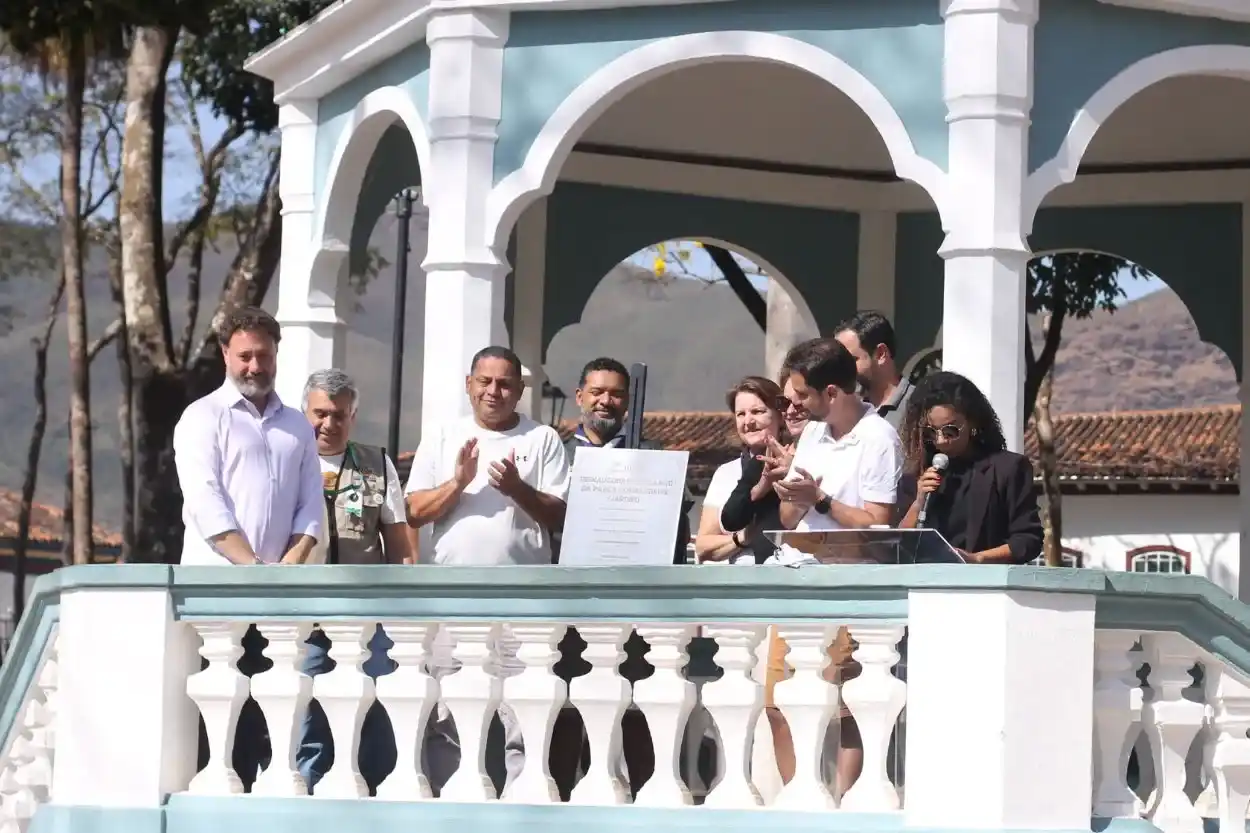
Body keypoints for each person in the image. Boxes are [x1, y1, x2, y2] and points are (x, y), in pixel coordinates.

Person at [404, 345, 570, 796]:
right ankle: (451, 804)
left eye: (504, 383)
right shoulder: (442, 436)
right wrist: (459, 481)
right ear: (469, 385)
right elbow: (414, 511)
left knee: (524, 714)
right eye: (485, 382)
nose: (494, 391)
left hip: (524, 602)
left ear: (519, 390)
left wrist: (518, 489)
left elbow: (559, 515)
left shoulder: (542, 440)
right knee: (447, 713)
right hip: (453, 599)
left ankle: (521, 805)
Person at [173, 305, 324, 789]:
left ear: (277, 353)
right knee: (213, 722)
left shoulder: (298, 426)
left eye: (264, 355)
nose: (255, 366)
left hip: (278, 601)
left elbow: (311, 508)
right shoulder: (202, 418)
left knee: (268, 723)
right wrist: (254, 568)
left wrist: (286, 567)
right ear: (225, 354)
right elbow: (205, 503)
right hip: (216, 598)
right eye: (245, 356)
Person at [764, 336, 905, 798]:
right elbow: (789, 518)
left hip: (848, 583)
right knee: (778, 703)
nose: (792, 404)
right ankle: (798, 796)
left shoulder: (879, 438)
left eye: (801, 395)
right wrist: (787, 492)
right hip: (797, 577)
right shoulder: (811, 434)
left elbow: (878, 524)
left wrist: (820, 499)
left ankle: (845, 802)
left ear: (831, 393)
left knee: (844, 707)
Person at [552, 357, 694, 798]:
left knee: (638, 707)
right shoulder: (557, 455)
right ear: (579, 396)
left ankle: (647, 801)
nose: (606, 401)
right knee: (567, 706)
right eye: (597, 392)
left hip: (637, 609)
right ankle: (561, 802)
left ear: (628, 402)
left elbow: (676, 525)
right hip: (571, 605)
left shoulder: (650, 457)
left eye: (616, 393)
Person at [297, 368, 417, 793]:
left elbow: (400, 544)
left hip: (368, 619)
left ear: (353, 416)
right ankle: (306, 802)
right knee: (305, 717)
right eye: (320, 413)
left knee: (375, 713)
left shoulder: (375, 463)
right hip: (303, 620)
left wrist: (403, 617)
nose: (329, 423)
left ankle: (374, 799)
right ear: (304, 411)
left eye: (340, 415)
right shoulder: (285, 459)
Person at [896, 371, 1043, 564]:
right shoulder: (914, 477)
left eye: (951, 431)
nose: (941, 441)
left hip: (985, 587)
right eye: (931, 432)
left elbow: (1027, 540)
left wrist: (976, 559)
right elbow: (897, 547)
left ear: (972, 422)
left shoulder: (1007, 469)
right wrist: (918, 503)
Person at [834, 310, 913, 430]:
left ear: (881, 354)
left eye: (851, 360)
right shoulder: (846, 410)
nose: (843, 370)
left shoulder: (918, 408)